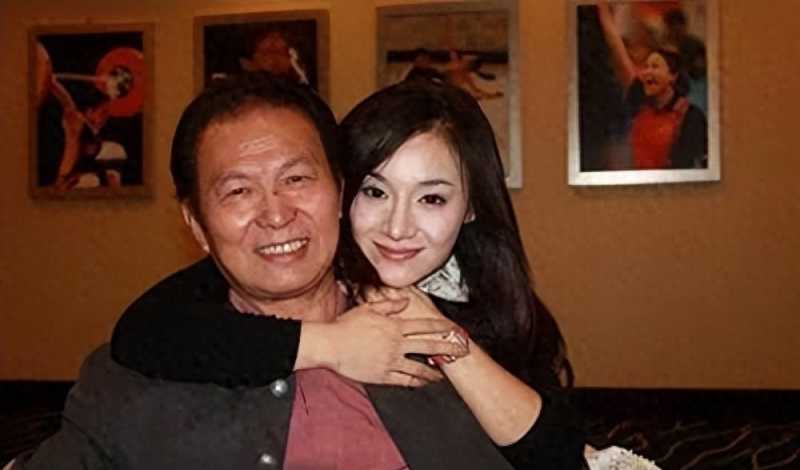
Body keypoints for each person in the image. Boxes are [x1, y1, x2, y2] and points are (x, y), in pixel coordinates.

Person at [13, 74, 502, 470]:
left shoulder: (445, 340)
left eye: (296, 178)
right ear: (197, 225)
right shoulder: (132, 381)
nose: (276, 214)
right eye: (238, 191)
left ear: (340, 192)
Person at [109, 76, 586, 468]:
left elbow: (558, 453)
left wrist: (440, 335)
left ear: (471, 209)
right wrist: (334, 345)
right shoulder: (294, 262)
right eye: (375, 192)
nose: (397, 227)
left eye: (431, 198)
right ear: (343, 192)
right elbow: (147, 330)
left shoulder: (487, 297)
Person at [596, 2, 707, 169]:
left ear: (672, 76)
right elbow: (618, 53)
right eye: (646, 67)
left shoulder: (692, 115)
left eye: (655, 66)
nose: (647, 72)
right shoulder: (638, 101)